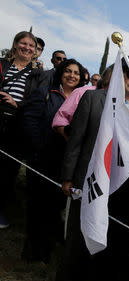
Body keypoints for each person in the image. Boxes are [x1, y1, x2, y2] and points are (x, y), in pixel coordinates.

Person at [56, 56, 129, 281]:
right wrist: (68, 178)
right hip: (88, 185)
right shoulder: (93, 98)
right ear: (115, 74)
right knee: (77, 246)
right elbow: (75, 142)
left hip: (123, 192)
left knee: (106, 250)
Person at [22, 58, 87, 262]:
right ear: (60, 73)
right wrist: (38, 147)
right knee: (37, 207)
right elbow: (29, 121)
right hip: (42, 158)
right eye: (68, 71)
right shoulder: (46, 93)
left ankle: (46, 250)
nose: (72, 75)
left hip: (65, 163)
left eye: (76, 73)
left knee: (54, 208)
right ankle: (31, 252)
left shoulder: (83, 99)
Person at [0, 31, 47, 228]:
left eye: (31, 46)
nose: (27, 48)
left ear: (36, 51)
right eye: (23, 43)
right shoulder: (2, 64)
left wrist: (17, 104)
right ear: (15, 44)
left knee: (7, 171)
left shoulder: (38, 75)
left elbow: (38, 102)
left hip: (16, 127)